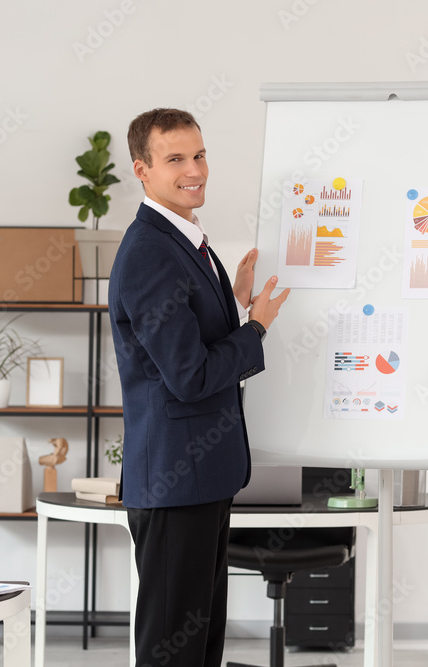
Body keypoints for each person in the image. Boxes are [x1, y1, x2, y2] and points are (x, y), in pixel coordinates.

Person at [108, 108, 289, 667]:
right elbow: (189, 378)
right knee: (173, 653)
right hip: (174, 480)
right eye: (176, 159)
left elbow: (187, 346)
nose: (196, 169)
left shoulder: (186, 241)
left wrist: (230, 301)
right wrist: (256, 326)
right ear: (143, 169)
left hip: (199, 479)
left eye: (200, 154)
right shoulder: (149, 252)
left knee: (200, 645)